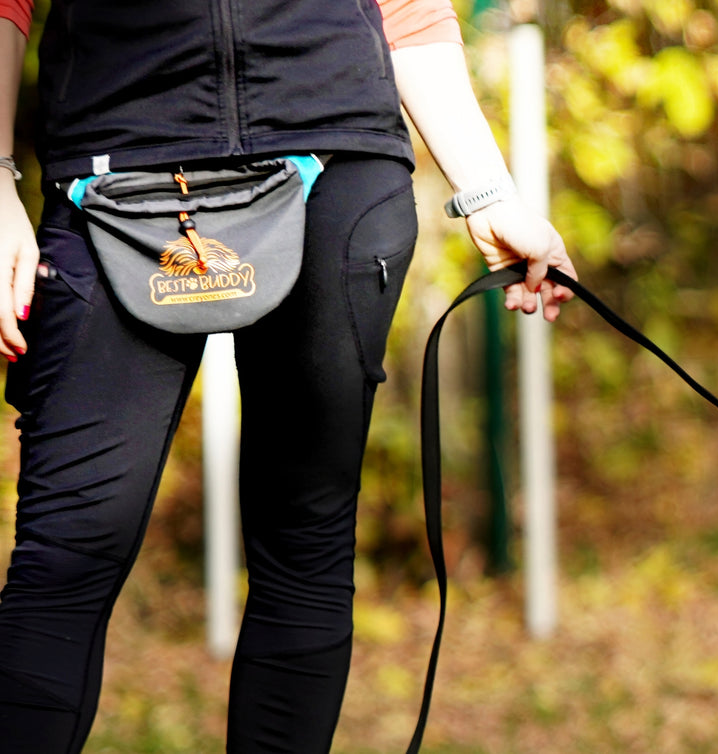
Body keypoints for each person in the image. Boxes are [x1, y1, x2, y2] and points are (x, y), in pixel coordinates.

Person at [0, 1, 576, 751]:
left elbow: (408, 8)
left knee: (305, 546)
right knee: (64, 554)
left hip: (335, 160)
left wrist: (490, 193)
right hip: (115, 175)